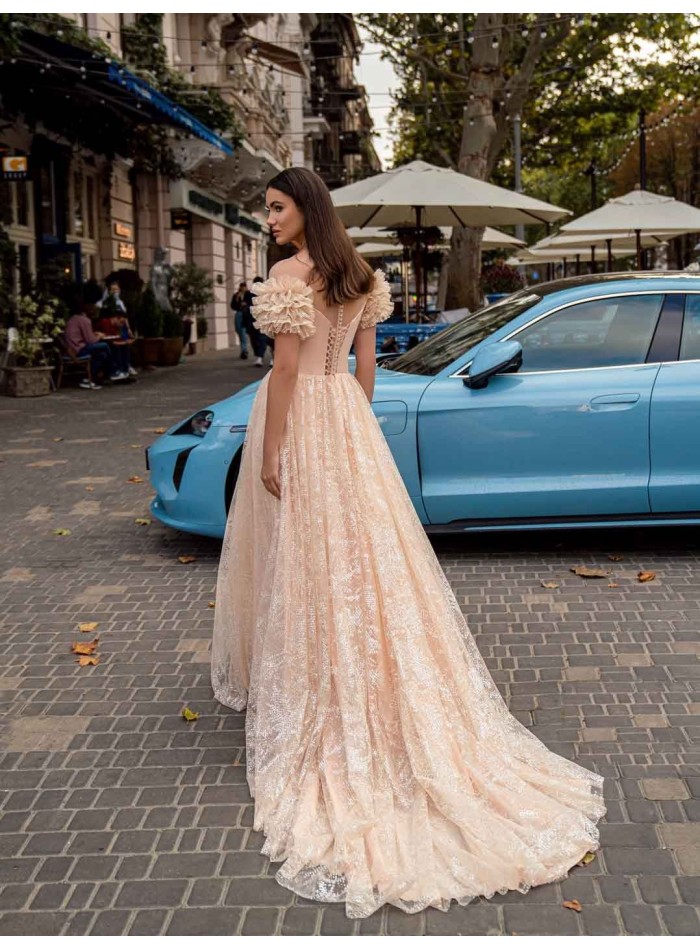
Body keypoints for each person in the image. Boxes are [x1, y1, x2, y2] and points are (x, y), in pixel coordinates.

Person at [211, 167, 605, 920]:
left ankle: (317, 678)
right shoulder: (362, 275)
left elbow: (286, 370)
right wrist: (349, 428)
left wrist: (273, 450)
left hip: (296, 419)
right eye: (266, 210)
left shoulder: (292, 274)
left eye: (275, 208)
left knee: (307, 557)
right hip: (349, 425)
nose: (268, 221)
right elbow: (366, 366)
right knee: (364, 559)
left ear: (305, 210)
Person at [64, 298, 127, 383]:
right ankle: (113, 371)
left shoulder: (74, 319)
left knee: (102, 354)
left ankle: (90, 379)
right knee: (105, 345)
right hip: (78, 349)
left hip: (72, 348)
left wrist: (94, 334)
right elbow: (91, 341)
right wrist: (100, 336)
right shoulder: (85, 320)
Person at [231, 281, 249, 359]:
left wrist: (246, 304)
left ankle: (244, 350)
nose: (243, 288)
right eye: (242, 287)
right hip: (238, 314)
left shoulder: (248, 294)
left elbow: (252, 303)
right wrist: (237, 301)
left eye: (244, 286)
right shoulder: (236, 295)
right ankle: (244, 349)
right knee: (238, 331)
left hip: (246, 314)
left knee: (243, 331)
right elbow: (232, 305)